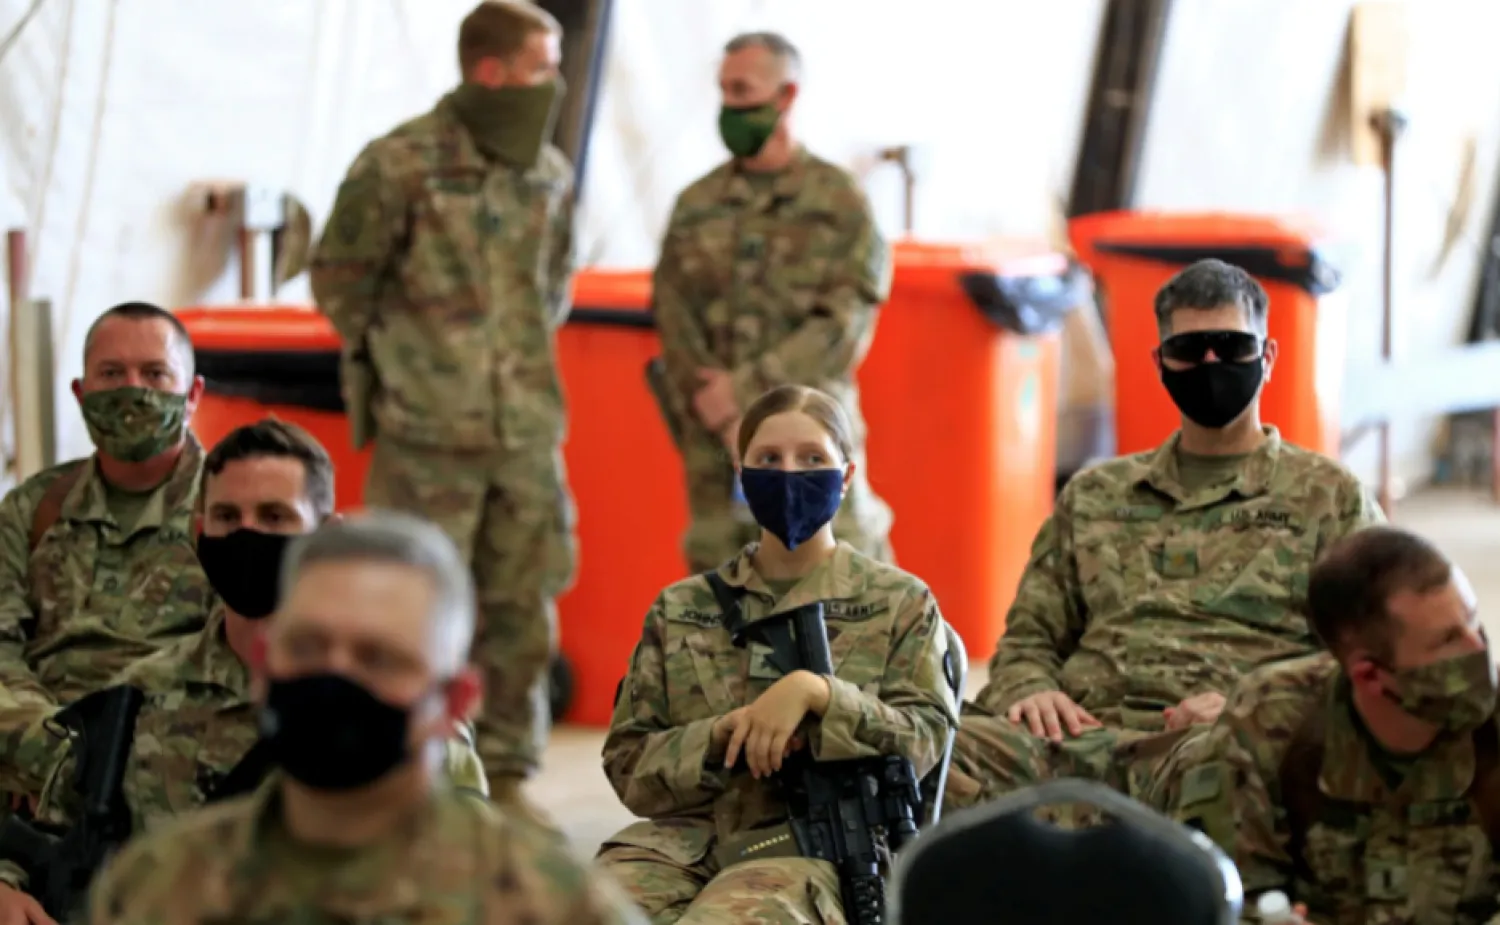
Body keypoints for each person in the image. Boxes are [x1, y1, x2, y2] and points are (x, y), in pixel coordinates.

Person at [0, 420, 491, 925]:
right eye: (227, 516)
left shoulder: (389, 706)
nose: (247, 534)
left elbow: (469, 877)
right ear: (199, 533)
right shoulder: (136, 697)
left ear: (326, 535)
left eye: (275, 516)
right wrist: (7, 887)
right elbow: (52, 832)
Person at [945, 259, 1385, 812]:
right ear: (1160, 363)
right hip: (1077, 740)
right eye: (1189, 349)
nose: (1210, 363)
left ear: (1268, 357)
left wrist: (1255, 708)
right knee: (920, 754)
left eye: (1232, 346)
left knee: (1240, 777)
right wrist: (1030, 688)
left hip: (1221, 748)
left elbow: (1374, 658)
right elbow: (1029, 637)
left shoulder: (1331, 498)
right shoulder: (1096, 495)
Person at [84, 512, 644, 925]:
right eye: (307, 646)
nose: (335, 676)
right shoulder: (157, 888)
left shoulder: (553, 909)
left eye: (378, 658)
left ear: (454, 701)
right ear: (263, 665)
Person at [308, 0, 578, 808]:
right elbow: (341, 280)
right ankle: (418, 776)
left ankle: (510, 779)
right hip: (427, 436)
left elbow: (553, 286)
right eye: (540, 67)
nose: (555, 84)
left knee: (523, 606)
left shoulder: (547, 172)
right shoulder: (399, 164)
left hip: (524, 429)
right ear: (489, 72)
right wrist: (416, 361)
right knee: (413, 604)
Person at [597, 385, 957, 923]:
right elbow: (628, 764)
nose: (789, 474)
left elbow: (925, 741)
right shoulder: (682, 607)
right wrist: (721, 736)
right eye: (769, 459)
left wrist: (820, 695)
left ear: (846, 477)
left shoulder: (899, 602)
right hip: (682, 845)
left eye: (811, 459)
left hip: (814, 848)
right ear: (742, 474)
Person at [1162, 526, 1500, 925]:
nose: (1478, 649)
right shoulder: (1269, 724)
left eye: (1472, 619)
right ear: (1370, 676)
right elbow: (1224, 898)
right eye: (1448, 641)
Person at [651, 31, 895, 574]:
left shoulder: (839, 203)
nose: (729, 105)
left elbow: (843, 327)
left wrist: (745, 396)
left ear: (787, 96)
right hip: (717, 449)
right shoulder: (696, 205)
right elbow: (673, 314)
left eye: (742, 91)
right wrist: (722, 414)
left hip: (813, 441)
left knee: (843, 584)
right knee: (724, 593)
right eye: (723, 91)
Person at [0, 301, 213, 795]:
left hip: (172, 769)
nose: (131, 391)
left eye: (155, 374)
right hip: (31, 759)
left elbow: (244, 661)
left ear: (193, 394)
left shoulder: (232, 510)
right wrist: (52, 746)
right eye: (112, 374)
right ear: (81, 393)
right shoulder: (33, 508)